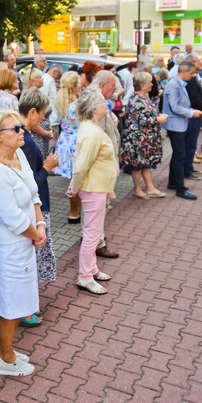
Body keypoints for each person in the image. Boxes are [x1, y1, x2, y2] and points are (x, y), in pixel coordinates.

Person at [0, 109, 46, 375]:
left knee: (22, 299)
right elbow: (12, 217)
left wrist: (40, 225)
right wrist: (36, 234)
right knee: (10, 303)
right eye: (15, 129)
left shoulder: (18, 154)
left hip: (28, 239)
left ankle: (3, 347)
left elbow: (34, 192)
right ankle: (6, 359)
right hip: (10, 245)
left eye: (21, 126)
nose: (22, 131)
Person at [67, 89, 118, 294]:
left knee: (94, 232)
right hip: (93, 188)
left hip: (97, 187)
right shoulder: (92, 132)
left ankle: (92, 269)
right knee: (92, 235)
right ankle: (85, 276)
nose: (107, 103)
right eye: (102, 101)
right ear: (93, 108)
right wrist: (74, 186)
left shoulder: (90, 127)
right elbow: (81, 165)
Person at [19, 89, 59, 288]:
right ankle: (28, 298)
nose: (43, 118)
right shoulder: (24, 140)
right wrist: (47, 167)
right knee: (35, 251)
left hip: (36, 203)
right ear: (32, 111)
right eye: (42, 114)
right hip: (36, 204)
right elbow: (29, 182)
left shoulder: (23, 135)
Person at [120, 72, 168, 199]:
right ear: (142, 85)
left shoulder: (145, 98)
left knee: (145, 163)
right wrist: (158, 119)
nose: (152, 84)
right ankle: (137, 189)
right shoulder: (136, 100)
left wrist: (159, 117)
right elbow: (141, 120)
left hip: (146, 138)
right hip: (137, 140)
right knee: (137, 165)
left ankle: (150, 187)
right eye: (149, 82)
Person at [163, 62, 202, 200]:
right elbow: (175, 107)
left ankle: (173, 182)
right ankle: (180, 188)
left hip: (179, 124)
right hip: (176, 125)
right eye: (192, 72)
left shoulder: (178, 83)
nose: (193, 75)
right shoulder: (174, 85)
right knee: (180, 156)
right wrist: (192, 113)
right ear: (184, 71)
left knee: (178, 155)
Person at [52, 71, 82, 223]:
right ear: (74, 87)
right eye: (79, 85)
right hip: (76, 142)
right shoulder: (75, 105)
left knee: (74, 177)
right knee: (77, 178)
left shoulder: (62, 101)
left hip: (65, 141)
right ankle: (74, 211)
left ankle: (75, 210)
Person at [22, 68, 54, 158]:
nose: (42, 79)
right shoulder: (30, 96)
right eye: (40, 77)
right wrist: (45, 133)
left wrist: (49, 128)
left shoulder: (38, 94)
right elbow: (31, 119)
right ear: (32, 81)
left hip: (43, 135)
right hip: (37, 135)